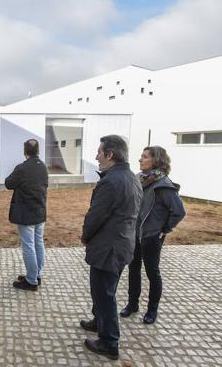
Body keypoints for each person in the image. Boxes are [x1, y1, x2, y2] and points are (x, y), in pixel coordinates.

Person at [79, 135, 143, 360]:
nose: (96, 156)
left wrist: (85, 236)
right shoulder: (132, 177)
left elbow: (95, 216)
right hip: (122, 245)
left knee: (105, 294)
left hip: (109, 248)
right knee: (105, 290)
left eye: (99, 152)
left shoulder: (110, 181)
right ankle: (99, 322)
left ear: (110, 155)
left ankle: (109, 343)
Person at [120, 146, 185, 324]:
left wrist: (165, 229)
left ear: (156, 160)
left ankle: (152, 310)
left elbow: (178, 211)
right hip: (135, 234)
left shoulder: (163, 185)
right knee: (133, 270)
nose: (140, 159)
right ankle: (132, 305)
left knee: (152, 273)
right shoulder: (138, 179)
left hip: (151, 236)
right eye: (141, 156)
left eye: (145, 157)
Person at [5, 139, 48, 291]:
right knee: (38, 244)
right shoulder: (43, 166)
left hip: (26, 214)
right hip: (40, 212)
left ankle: (31, 281)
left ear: (25, 151)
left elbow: (8, 183)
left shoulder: (22, 168)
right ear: (38, 151)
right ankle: (36, 275)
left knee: (29, 246)